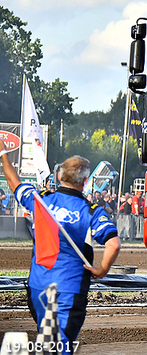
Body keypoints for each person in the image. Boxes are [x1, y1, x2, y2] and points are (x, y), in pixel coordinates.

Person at [0, 140, 120, 354]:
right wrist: (102, 269)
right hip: (68, 290)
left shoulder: (40, 199)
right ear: (84, 183)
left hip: (38, 287)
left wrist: (3, 153)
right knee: (58, 347)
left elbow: (13, 182)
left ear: (58, 177)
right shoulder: (91, 211)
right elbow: (113, 244)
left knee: (47, 342)